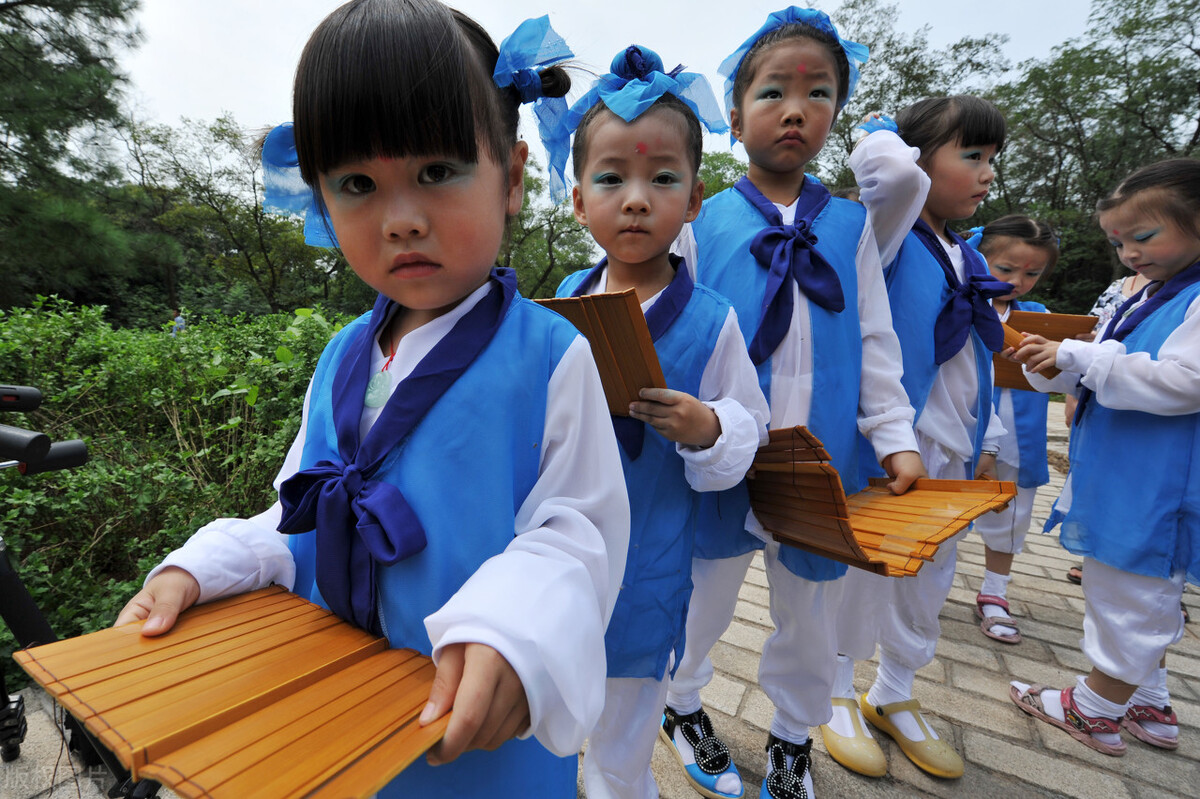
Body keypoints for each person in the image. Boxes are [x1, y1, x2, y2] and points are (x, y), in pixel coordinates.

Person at [114, 4, 630, 797]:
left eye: (436, 172)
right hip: (334, 717)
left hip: (467, 725)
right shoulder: (343, 354)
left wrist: (512, 633)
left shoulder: (550, 357)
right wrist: (203, 567)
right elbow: (298, 516)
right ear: (322, 200)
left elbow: (579, 535)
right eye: (358, 184)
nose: (402, 219)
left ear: (515, 177)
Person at [661, 9, 926, 799]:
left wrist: (895, 435)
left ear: (836, 118)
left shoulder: (852, 227)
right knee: (699, 602)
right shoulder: (698, 221)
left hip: (823, 462)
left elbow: (877, 340)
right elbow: (670, 327)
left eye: (818, 94)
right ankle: (681, 706)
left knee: (811, 614)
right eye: (772, 91)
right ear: (736, 114)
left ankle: (790, 738)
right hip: (722, 456)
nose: (795, 109)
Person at [549, 45, 770, 799]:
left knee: (625, 716)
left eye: (662, 178)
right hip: (560, 544)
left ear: (696, 199)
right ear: (578, 200)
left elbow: (750, 424)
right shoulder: (560, 304)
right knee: (551, 701)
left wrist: (708, 425)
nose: (636, 199)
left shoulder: (711, 321)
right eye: (611, 178)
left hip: (650, 547)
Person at [826, 97, 1012, 781]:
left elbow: (974, 361)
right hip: (889, 446)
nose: (987, 173)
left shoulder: (966, 254)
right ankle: (835, 690)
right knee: (864, 575)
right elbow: (890, 177)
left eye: (992, 159)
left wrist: (987, 433)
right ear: (917, 159)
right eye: (971, 155)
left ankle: (895, 690)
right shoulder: (890, 232)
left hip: (954, 446)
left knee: (931, 577)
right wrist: (880, 129)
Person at [1009, 157, 1200, 756]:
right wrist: (1059, 365)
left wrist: (1082, 359)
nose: (1128, 254)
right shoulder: (1160, 294)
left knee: (1131, 597)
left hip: (1157, 484)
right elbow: (1112, 366)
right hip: (1130, 474)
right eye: (1118, 242)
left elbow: (1184, 381)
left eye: (1143, 236)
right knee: (1136, 591)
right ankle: (1151, 702)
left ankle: (1094, 708)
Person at [968, 216, 1060, 644]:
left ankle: (994, 593)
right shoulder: (958, 302)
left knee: (1012, 511)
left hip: (1019, 434)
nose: (1017, 281)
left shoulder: (1042, 319)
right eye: (1004, 269)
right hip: (963, 423)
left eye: (1032, 273)